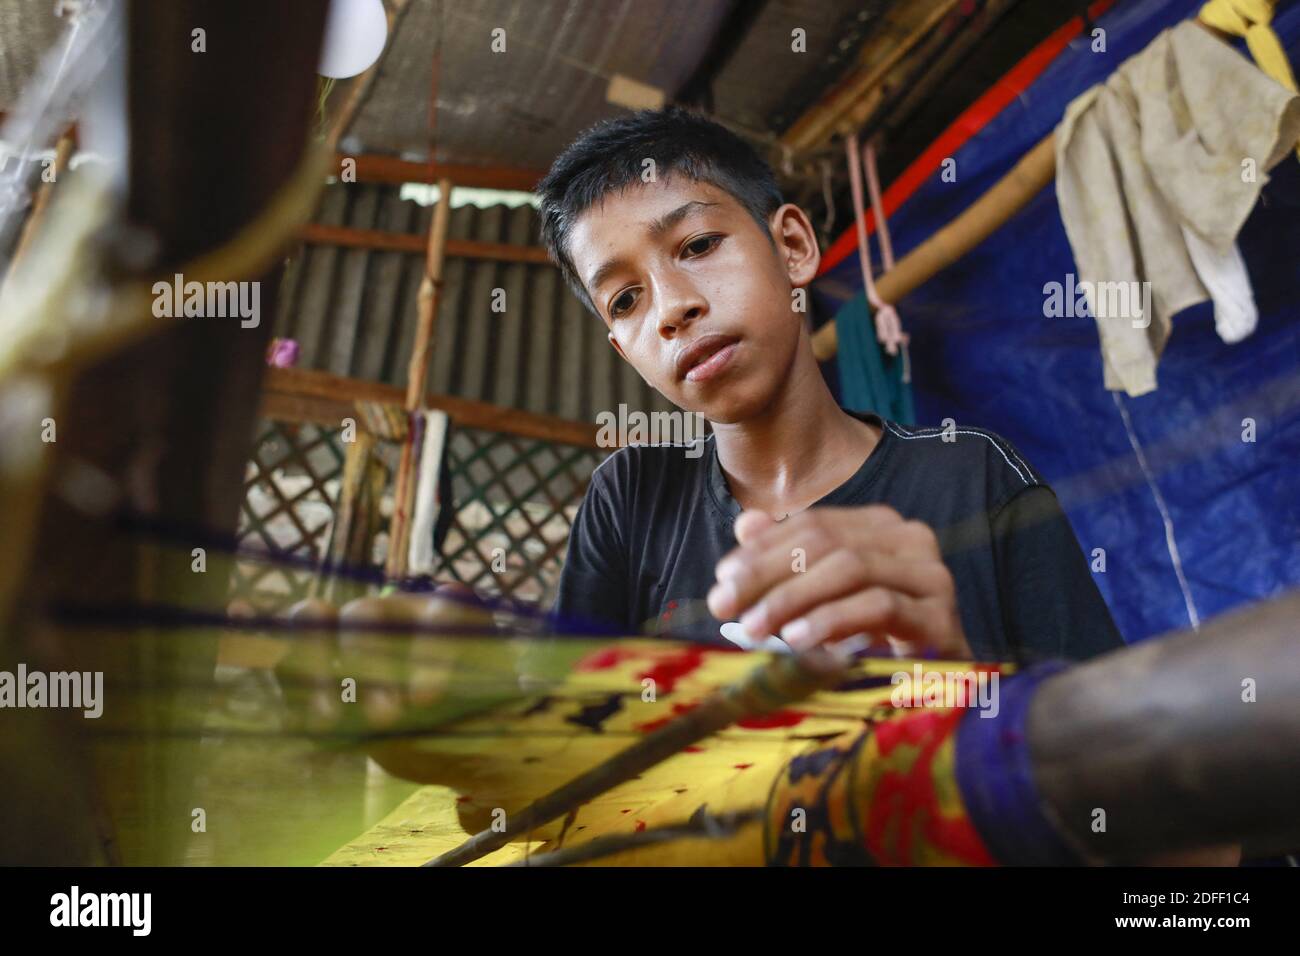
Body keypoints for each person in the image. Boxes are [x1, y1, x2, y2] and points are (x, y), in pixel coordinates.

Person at [540, 107, 1123, 664]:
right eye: (625, 300)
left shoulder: (973, 478)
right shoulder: (632, 500)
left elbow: (1095, 725)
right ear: (624, 350)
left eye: (697, 246)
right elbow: (575, 722)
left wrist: (945, 676)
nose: (671, 309)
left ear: (792, 247)